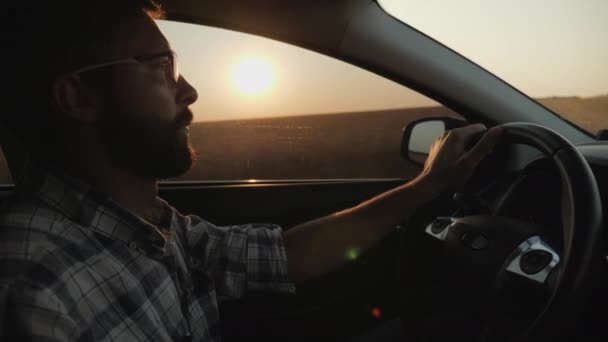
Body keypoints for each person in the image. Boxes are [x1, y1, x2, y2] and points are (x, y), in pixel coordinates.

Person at [0, 1, 502, 341]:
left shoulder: (150, 225)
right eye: (161, 67)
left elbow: (284, 256)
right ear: (79, 96)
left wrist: (425, 187)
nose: (189, 91)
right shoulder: (32, 286)